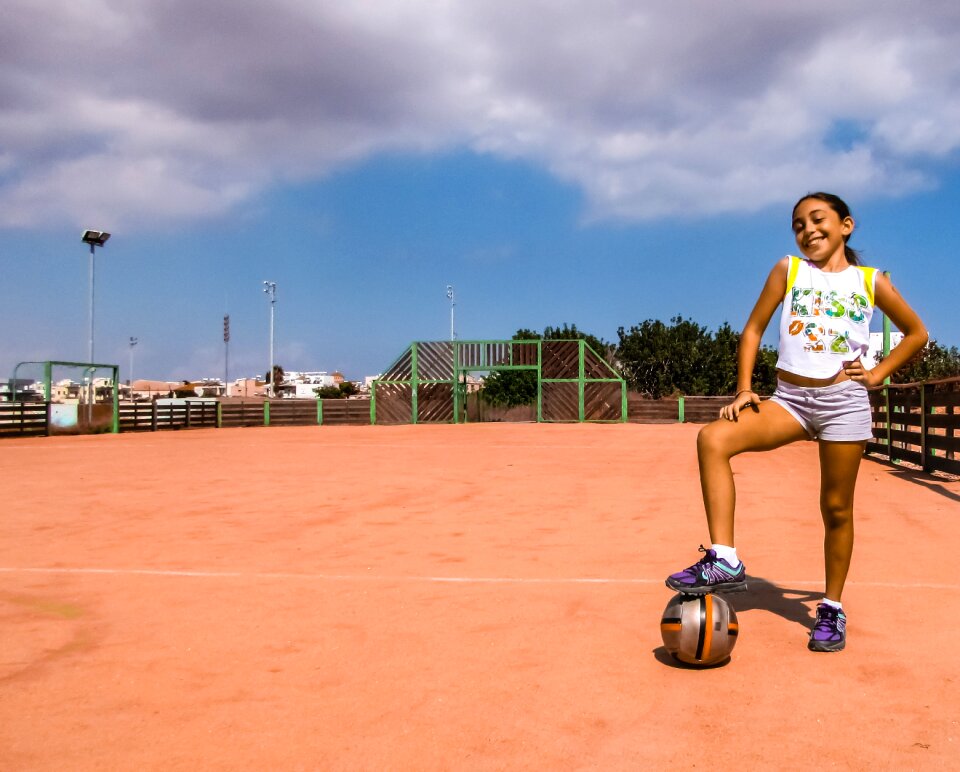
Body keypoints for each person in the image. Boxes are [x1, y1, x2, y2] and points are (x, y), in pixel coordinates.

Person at [665, 192, 928, 652]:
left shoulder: (871, 281)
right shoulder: (788, 270)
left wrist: (878, 375)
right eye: (798, 224)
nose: (808, 230)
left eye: (818, 219)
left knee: (836, 508)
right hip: (789, 401)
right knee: (713, 439)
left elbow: (917, 333)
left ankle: (831, 608)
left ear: (845, 225)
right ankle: (724, 559)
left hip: (844, 402)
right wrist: (745, 388)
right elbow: (753, 329)